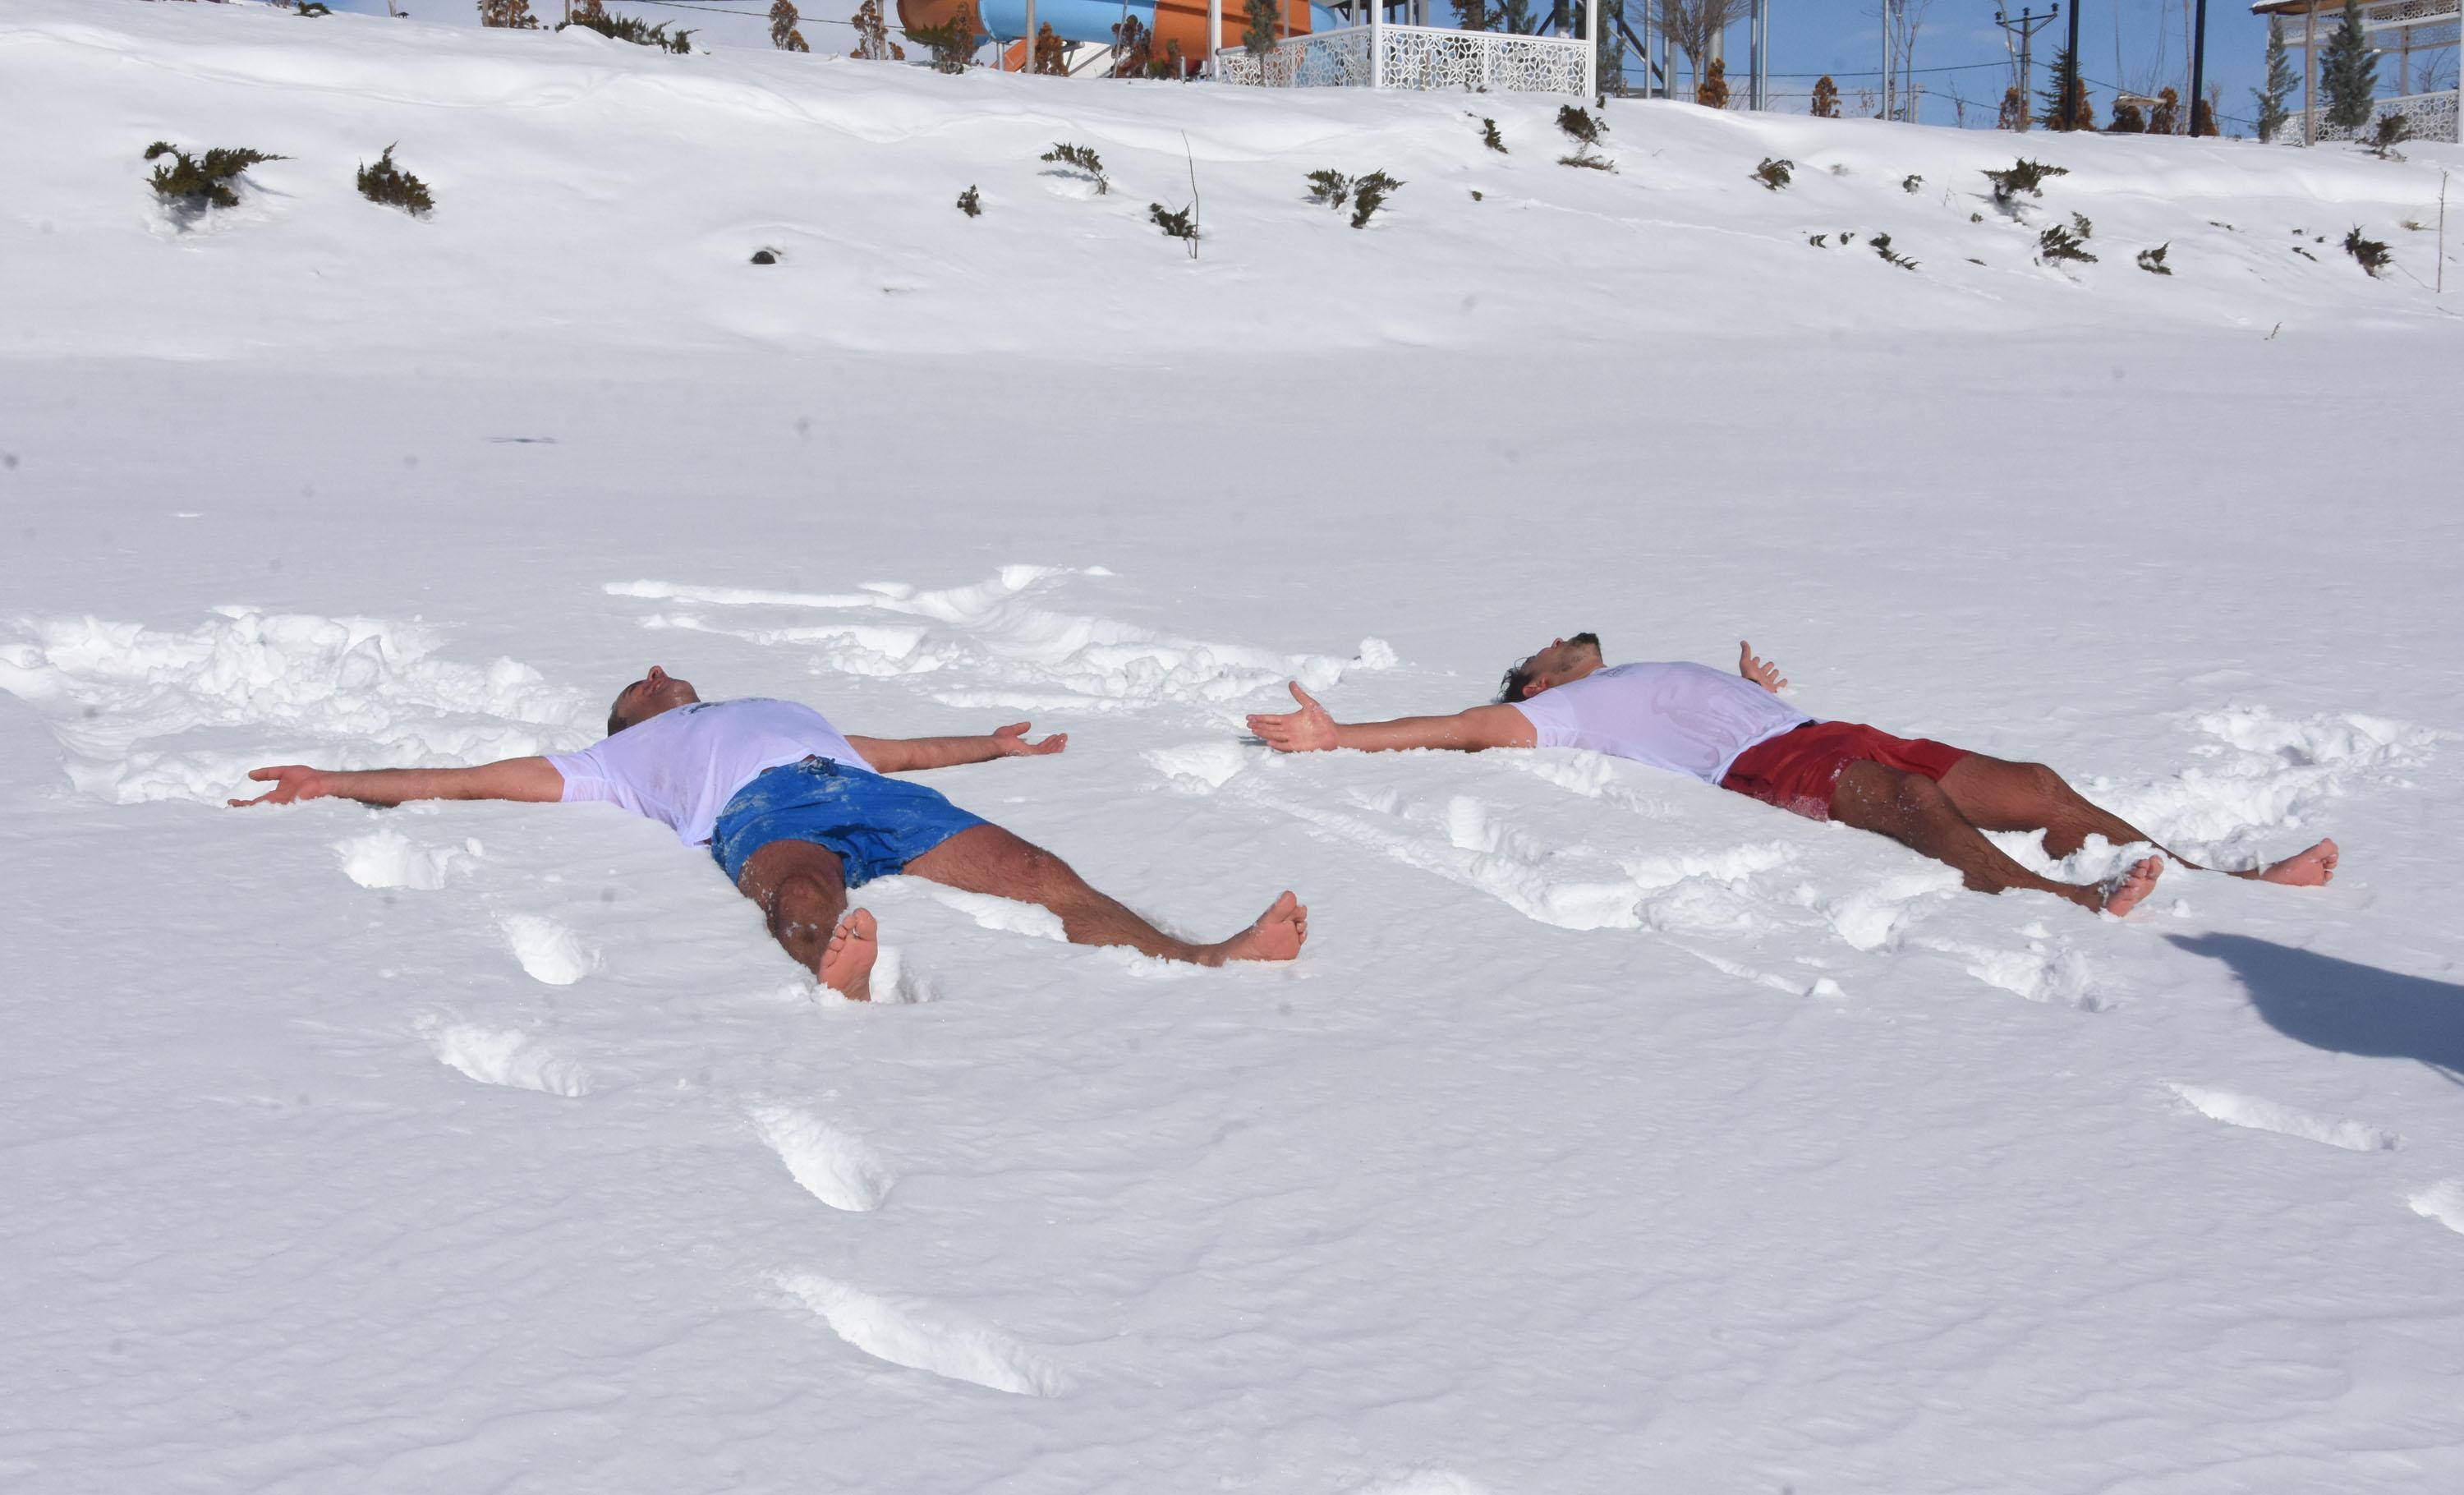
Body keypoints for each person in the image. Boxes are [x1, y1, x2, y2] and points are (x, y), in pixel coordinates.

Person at [233, 665, 1308, 999]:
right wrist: (330, 779)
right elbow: (465, 781)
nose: (662, 671)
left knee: (1038, 871)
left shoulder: (790, 709)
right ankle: (829, 964)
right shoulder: (611, 762)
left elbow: (897, 750)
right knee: (799, 888)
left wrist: (992, 746)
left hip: (859, 786)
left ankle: (1206, 954)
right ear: (630, 719)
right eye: (641, 682)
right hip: (769, 813)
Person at [1244, 634, 2338, 918]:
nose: (1572, 645)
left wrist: (1749, 686)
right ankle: (2065, 899)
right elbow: (1456, 728)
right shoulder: (1550, 713)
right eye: (1554, 647)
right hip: (1767, 765)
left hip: (1815, 720)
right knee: (1912, 807)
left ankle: (2213, 873)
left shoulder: (1626, 671)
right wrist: (1341, 739)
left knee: (2038, 784)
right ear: (1536, 677)